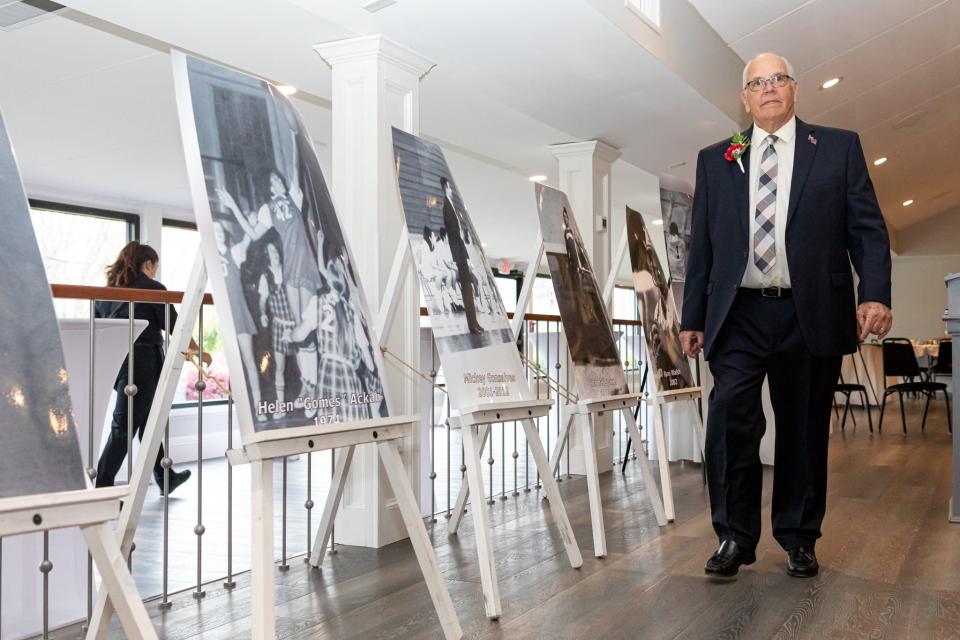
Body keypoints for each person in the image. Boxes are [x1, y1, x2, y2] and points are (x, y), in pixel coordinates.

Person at [680, 53, 892, 579]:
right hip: (738, 313)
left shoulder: (838, 148)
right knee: (730, 421)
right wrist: (693, 316)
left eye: (778, 79)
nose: (768, 88)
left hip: (810, 310)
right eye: (757, 82)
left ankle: (799, 536)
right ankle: (734, 535)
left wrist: (876, 293)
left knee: (802, 428)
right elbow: (701, 244)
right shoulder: (717, 159)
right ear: (745, 98)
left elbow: (866, 228)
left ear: (794, 89)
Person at [95, 241, 210, 495]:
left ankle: (164, 476)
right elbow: (175, 327)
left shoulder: (107, 293)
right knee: (124, 427)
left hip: (117, 363)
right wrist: (197, 352)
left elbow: (98, 329)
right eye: (154, 266)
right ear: (147, 264)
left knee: (147, 422)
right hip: (144, 362)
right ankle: (101, 487)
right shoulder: (153, 289)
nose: (154, 272)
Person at [440, 177, 484, 335]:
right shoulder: (446, 206)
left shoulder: (449, 205)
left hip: (460, 253)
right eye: (450, 188)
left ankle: (475, 322)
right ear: (446, 188)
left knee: (468, 287)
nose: (452, 190)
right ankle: (472, 325)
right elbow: (453, 236)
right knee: (466, 287)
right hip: (457, 253)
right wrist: (458, 256)